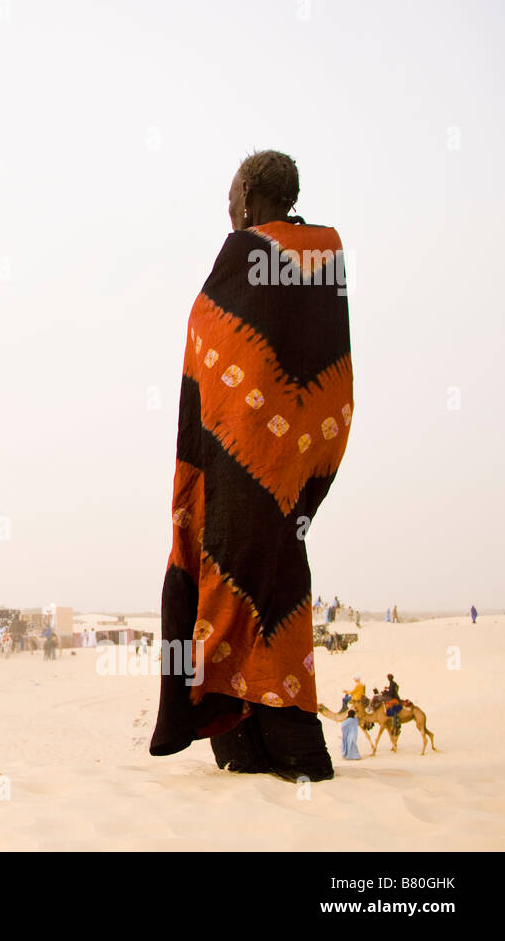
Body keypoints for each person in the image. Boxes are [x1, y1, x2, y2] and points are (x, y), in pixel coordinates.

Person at [150, 150, 353, 784]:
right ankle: (282, 745)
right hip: (288, 464)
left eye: (231, 196)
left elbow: (212, 338)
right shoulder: (324, 252)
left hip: (237, 462)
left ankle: (255, 742)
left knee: (227, 580)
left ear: (248, 198)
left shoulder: (242, 256)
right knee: (279, 581)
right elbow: (326, 362)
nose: (228, 209)